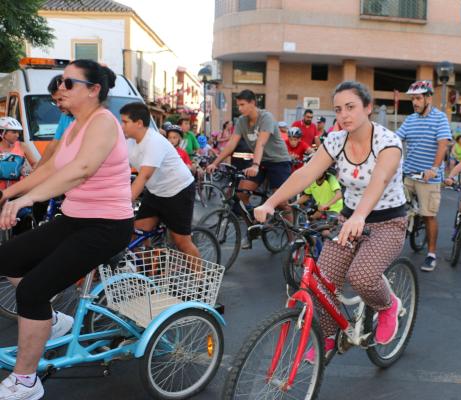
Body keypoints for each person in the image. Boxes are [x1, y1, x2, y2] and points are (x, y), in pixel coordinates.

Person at [0, 60, 133, 399]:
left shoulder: (103, 123)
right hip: (75, 218)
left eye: (68, 82)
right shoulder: (73, 124)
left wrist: (26, 201)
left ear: (93, 90)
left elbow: (81, 170)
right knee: (8, 258)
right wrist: (8, 194)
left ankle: (26, 381)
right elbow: (49, 170)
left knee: (32, 291)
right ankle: (54, 320)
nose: (59, 87)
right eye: (60, 81)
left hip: (106, 225)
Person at [254, 80, 408, 360]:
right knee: (321, 281)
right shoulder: (336, 140)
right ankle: (327, 335)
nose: (344, 115)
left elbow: (380, 178)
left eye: (351, 107)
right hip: (348, 220)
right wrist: (271, 202)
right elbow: (305, 174)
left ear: (368, 108)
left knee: (361, 277)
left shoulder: (388, 142)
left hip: (387, 222)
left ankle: (388, 306)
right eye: (338, 109)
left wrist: (361, 215)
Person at [206, 90, 291, 248]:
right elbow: (231, 144)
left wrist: (255, 165)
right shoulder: (241, 121)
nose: (240, 108)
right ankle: (253, 227)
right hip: (259, 162)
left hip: (278, 161)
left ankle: (293, 240)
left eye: (243, 104)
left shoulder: (266, 117)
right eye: (238, 105)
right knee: (241, 193)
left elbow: (261, 143)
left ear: (253, 103)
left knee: (282, 202)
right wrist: (215, 162)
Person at [121, 102, 199, 258]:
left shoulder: (154, 141)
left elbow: (143, 176)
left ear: (139, 123)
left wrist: (122, 203)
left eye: (125, 122)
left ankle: (202, 278)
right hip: (156, 192)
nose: (121, 126)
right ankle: (150, 271)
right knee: (137, 233)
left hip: (178, 191)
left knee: (181, 241)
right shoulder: (129, 142)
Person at [396, 80, 451, 272]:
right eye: (413, 99)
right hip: (410, 174)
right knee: (395, 210)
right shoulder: (410, 119)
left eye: (418, 98)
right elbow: (396, 139)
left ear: (428, 98)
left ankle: (431, 254)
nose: (415, 102)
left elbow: (443, 144)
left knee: (428, 215)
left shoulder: (440, 118)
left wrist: (434, 168)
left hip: (429, 176)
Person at [38, 75, 75, 167]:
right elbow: (53, 145)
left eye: (61, 99)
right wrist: (38, 169)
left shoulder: (93, 118)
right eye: (55, 101)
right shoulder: (65, 115)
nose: (58, 105)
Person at [0, 118, 39, 191]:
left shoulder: (22, 146)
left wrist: (31, 173)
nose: (17, 135)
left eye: (18, 132)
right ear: (2, 132)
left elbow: (35, 163)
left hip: (18, 189)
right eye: (14, 132)